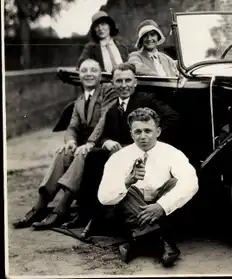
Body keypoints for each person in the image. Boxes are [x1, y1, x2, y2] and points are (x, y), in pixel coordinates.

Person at [71, 62, 181, 231]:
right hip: (120, 153)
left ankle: (105, 216)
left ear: (135, 82)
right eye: (119, 81)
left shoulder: (145, 99)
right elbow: (104, 135)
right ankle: (89, 212)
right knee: (94, 155)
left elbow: (172, 117)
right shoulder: (113, 109)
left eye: (128, 80)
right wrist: (106, 141)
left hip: (143, 150)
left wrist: (148, 140)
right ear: (112, 84)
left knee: (110, 160)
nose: (124, 85)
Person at [12, 59, 117, 229]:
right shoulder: (79, 100)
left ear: (100, 75)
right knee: (63, 153)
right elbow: (72, 127)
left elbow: (104, 120)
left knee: (82, 154)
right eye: (84, 71)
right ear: (79, 75)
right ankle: (39, 206)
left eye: (93, 70)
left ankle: (62, 208)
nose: (89, 74)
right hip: (87, 146)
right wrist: (70, 142)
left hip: (103, 144)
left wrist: (89, 143)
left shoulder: (107, 91)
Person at [97, 107, 198, 266]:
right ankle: (161, 241)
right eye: (137, 132)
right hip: (130, 212)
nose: (143, 136)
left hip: (163, 211)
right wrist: (127, 182)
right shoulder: (119, 157)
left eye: (148, 131)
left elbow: (191, 182)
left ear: (158, 131)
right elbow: (103, 197)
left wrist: (161, 206)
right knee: (127, 189)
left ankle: (138, 242)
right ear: (131, 133)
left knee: (177, 182)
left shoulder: (172, 152)